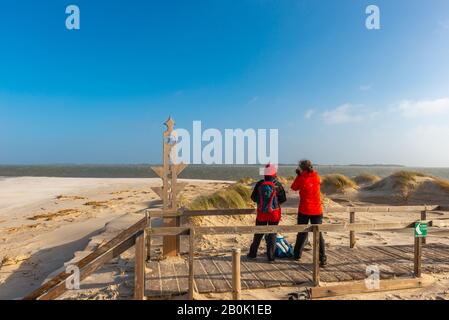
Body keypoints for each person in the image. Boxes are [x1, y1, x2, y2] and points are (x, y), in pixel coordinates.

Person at [291, 160, 327, 266]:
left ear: (302, 168)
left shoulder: (302, 178)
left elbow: (294, 187)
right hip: (317, 210)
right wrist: (301, 174)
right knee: (318, 234)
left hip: (304, 209)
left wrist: (298, 175)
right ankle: (322, 258)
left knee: (302, 232)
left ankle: (297, 255)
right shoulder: (317, 176)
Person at [247, 164, 287, 262]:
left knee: (258, 233)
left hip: (261, 213)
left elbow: (253, 198)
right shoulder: (277, 184)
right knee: (272, 234)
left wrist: (262, 203)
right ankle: (271, 257)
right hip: (274, 214)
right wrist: (273, 205)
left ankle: (252, 254)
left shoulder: (260, 183)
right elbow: (283, 199)